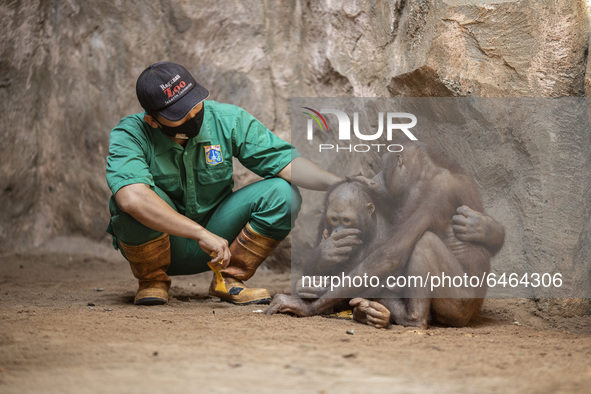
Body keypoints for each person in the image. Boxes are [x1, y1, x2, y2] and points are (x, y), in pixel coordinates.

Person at [106, 61, 340, 306]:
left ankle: (229, 280)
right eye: (179, 114)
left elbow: (284, 163)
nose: (193, 115)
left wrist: (340, 183)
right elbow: (131, 197)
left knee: (283, 193)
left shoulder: (227, 118)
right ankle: (152, 281)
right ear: (153, 121)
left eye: (194, 104)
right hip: (164, 244)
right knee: (128, 201)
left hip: (221, 246)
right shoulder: (130, 133)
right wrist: (199, 233)